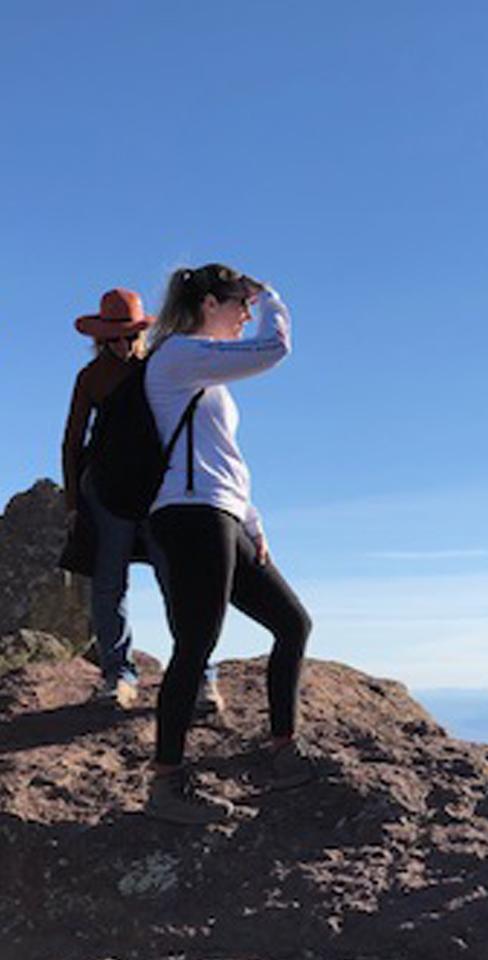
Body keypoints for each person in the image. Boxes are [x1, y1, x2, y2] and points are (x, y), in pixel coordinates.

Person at [143, 263, 313, 824]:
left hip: (222, 513)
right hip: (191, 514)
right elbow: (275, 348)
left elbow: (222, 458)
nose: (246, 313)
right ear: (210, 304)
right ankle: (166, 784)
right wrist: (273, 296)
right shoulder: (177, 354)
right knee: (196, 642)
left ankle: (282, 751)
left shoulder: (205, 368)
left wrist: (253, 525)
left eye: (250, 304)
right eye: (240, 303)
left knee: (292, 623)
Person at [63, 289, 224, 714]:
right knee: (108, 584)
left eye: (129, 336)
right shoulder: (91, 377)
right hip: (107, 490)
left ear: (142, 334)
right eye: (112, 339)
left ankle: (200, 674)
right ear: (100, 339)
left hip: (159, 489)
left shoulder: (159, 367)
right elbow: (72, 441)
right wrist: (73, 502)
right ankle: (118, 675)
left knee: (178, 581)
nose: (122, 345)